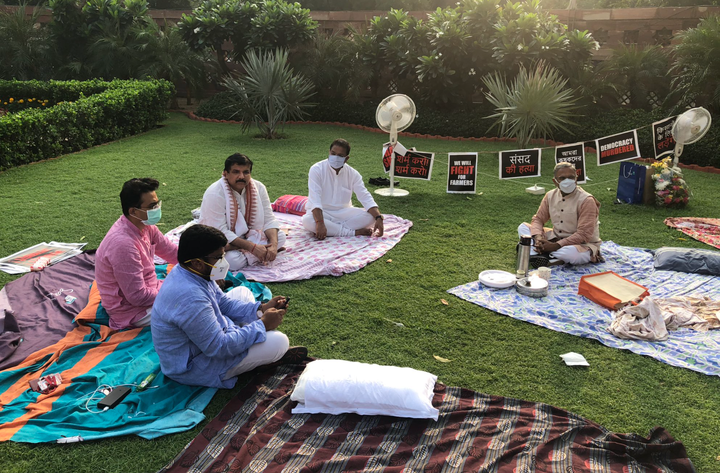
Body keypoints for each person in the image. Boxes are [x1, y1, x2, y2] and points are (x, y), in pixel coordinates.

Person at [151, 224, 306, 389]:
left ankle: (253, 341)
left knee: (242, 292)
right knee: (280, 342)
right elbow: (219, 347)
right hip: (195, 365)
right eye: (218, 257)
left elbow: (223, 303)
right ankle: (259, 351)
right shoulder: (190, 298)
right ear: (197, 263)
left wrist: (262, 309)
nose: (223, 262)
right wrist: (263, 325)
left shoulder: (189, 271)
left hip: (207, 341)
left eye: (223, 255)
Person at [95, 178, 178, 330]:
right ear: (133, 211)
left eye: (158, 204)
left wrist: (199, 262)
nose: (157, 209)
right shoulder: (123, 244)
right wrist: (175, 290)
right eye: (152, 206)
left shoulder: (146, 226)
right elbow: (137, 297)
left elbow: (172, 252)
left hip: (151, 290)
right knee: (193, 305)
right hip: (132, 311)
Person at [199, 153, 286, 271]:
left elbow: (269, 219)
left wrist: (274, 246)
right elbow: (220, 231)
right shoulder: (215, 193)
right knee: (232, 261)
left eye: (246, 172)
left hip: (249, 237)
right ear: (225, 173)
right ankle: (260, 253)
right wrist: (252, 247)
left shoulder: (259, 187)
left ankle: (262, 251)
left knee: (279, 237)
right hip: (224, 239)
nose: (241, 176)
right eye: (236, 172)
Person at [519, 162, 602, 267]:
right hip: (556, 238)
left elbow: (583, 235)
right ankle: (544, 253)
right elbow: (539, 219)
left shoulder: (586, 200)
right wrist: (538, 238)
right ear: (555, 181)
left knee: (572, 254)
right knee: (523, 228)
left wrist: (556, 246)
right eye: (562, 178)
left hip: (580, 245)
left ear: (576, 178)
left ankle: (534, 252)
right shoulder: (550, 195)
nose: (567, 181)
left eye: (571, 177)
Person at [302, 138, 384, 239]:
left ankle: (333, 230)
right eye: (333, 153)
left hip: (344, 213)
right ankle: (352, 232)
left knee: (371, 217)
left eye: (340, 155)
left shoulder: (353, 174)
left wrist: (379, 218)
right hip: (322, 213)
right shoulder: (317, 169)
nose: (336, 157)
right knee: (307, 221)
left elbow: (365, 196)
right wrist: (320, 223)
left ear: (346, 158)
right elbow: (315, 200)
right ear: (329, 152)